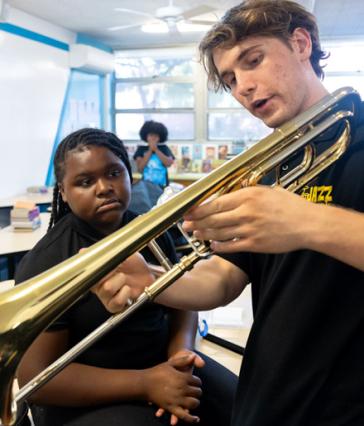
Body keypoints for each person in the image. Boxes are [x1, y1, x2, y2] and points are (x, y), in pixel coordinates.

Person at [95, 1, 364, 425]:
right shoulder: (271, 165)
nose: (244, 88)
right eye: (231, 79)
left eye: (253, 61)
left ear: (300, 43)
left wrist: (307, 222)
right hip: (268, 394)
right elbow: (223, 279)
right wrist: (152, 281)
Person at [14, 128, 237, 426]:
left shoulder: (149, 231)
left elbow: (183, 300)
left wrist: (180, 352)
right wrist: (145, 383)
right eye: (84, 182)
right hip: (86, 394)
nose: (104, 187)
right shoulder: (48, 261)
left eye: (113, 173)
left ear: (128, 175)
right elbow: (37, 379)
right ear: (64, 193)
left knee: (248, 405)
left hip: (161, 366)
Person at [134, 120, 174, 187]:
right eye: (151, 135)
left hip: (163, 185)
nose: (153, 138)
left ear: (160, 137)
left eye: (156, 136)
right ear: (146, 137)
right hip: (146, 186)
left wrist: (156, 150)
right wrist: (150, 150)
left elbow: (169, 163)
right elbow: (140, 168)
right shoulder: (141, 149)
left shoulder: (164, 148)